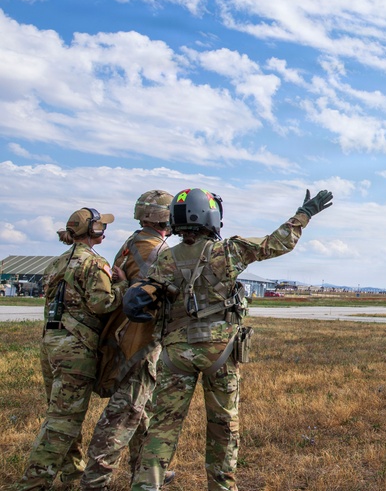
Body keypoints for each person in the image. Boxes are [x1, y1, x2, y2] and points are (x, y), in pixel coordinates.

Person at [125, 187, 333, 491]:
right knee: (223, 427)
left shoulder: (164, 258)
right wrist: (305, 214)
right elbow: (277, 243)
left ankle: (145, 485)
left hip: (175, 353)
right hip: (219, 353)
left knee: (162, 427)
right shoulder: (228, 251)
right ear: (210, 217)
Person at [16, 207, 127, 491]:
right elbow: (102, 304)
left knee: (61, 411)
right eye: (100, 226)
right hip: (76, 349)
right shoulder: (94, 264)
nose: (104, 230)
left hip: (51, 343)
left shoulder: (56, 263)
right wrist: (123, 285)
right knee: (63, 420)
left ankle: (72, 471)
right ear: (92, 230)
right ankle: (33, 482)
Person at [82, 190, 175, 491]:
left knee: (141, 410)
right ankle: (94, 481)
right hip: (139, 342)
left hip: (126, 336)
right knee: (123, 415)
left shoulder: (133, 242)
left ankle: (145, 470)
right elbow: (161, 294)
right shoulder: (157, 251)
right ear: (166, 218)